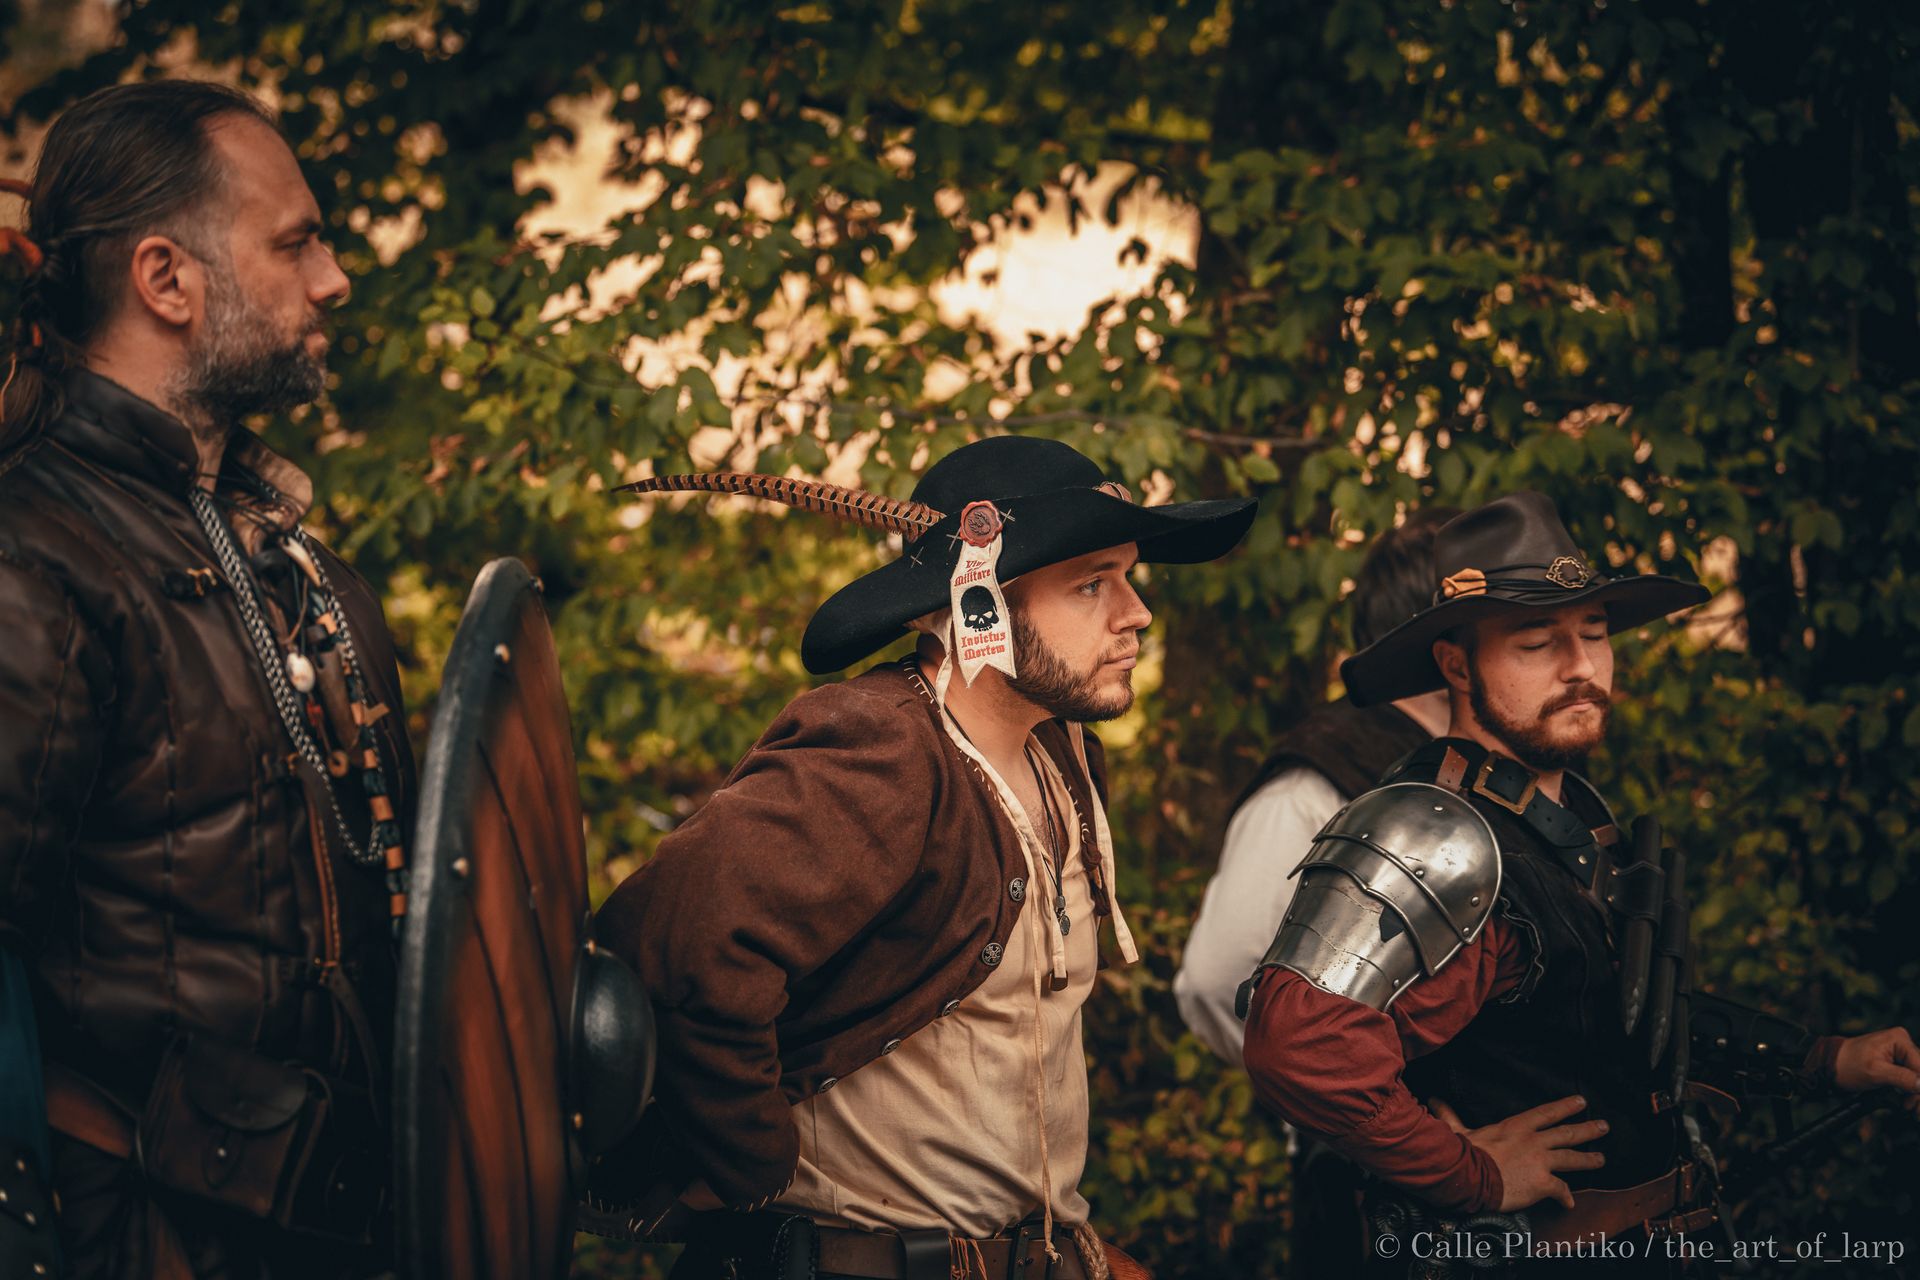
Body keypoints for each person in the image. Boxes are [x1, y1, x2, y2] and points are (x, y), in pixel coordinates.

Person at [587, 438, 1255, 1280]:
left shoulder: (1064, 756)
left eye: (1127, 576)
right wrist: (755, 1170)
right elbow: (685, 944)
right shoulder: (885, 748)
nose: (1136, 613)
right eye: (1093, 584)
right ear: (981, 604)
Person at [1240, 492, 1920, 1275]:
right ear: (1456, 664)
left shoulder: (1570, 818)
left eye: (1593, 634)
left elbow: (1617, 1017)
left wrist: (1826, 1060)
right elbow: (1300, 1047)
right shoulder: (1435, 838)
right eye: (1537, 642)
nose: (1581, 667)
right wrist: (1472, 1174)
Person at [0, 81, 412, 1279]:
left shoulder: (282, 556)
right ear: (165, 279)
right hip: (142, 1231)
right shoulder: (37, 557)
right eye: (295, 243)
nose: (333, 279)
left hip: (334, 1227)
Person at [1172, 505, 1454, 1278]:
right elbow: (1217, 981)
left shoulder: (1484, 768)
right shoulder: (1316, 782)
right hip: (1375, 1206)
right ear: (1443, 638)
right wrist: (1371, 1114)